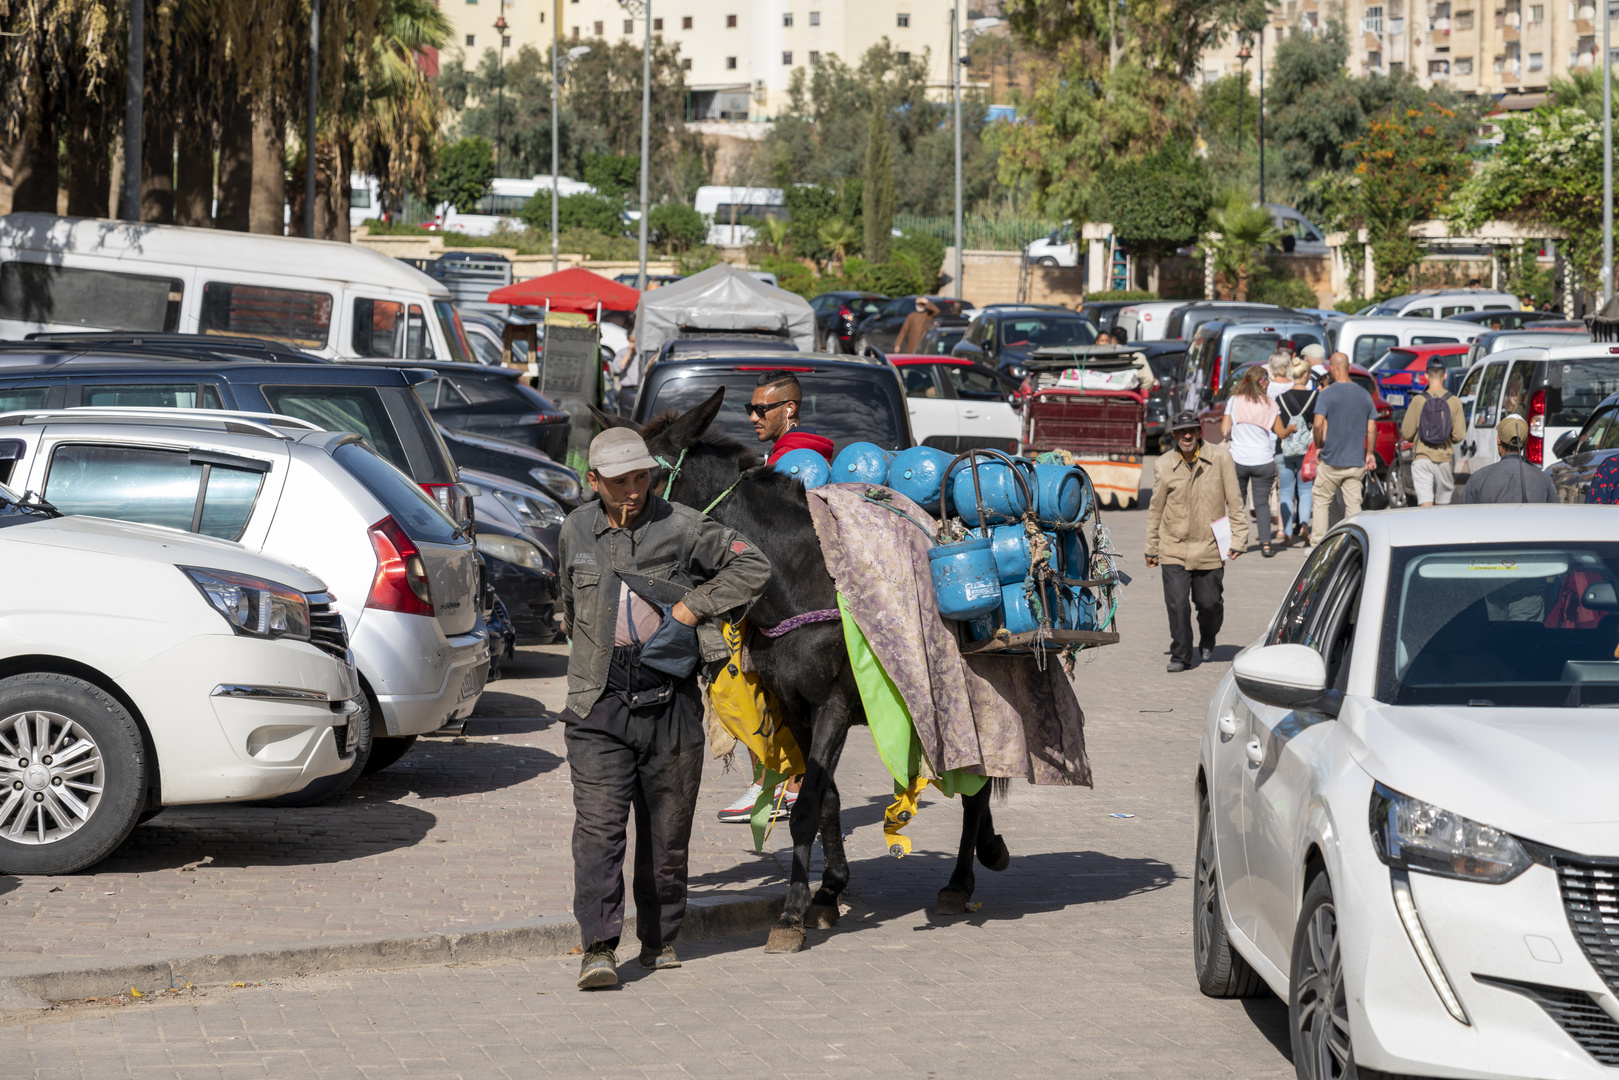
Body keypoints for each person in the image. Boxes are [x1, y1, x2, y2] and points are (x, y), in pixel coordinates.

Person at [558, 428, 773, 989]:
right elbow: (567, 601)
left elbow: (753, 567)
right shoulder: (576, 529)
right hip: (596, 704)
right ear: (594, 481)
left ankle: (659, 939)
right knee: (600, 831)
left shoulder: (681, 525)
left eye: (642, 478)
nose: (634, 491)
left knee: (667, 833)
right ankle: (599, 949)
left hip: (670, 701)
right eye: (620, 481)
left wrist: (690, 608)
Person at [1145, 411, 1249, 672]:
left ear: (1200, 431)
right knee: (1177, 604)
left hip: (1210, 546)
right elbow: (1155, 509)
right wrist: (1152, 546)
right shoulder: (1163, 464)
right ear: (1174, 435)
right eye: (1181, 431)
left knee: (1209, 603)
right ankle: (1180, 655)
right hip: (1174, 547)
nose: (1187, 435)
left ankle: (1208, 637)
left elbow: (1235, 501)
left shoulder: (1220, 458)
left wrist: (1239, 539)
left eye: (1191, 430)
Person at [1222, 365, 1289, 557]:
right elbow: (1281, 432)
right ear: (1263, 382)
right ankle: (1266, 544)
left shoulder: (1234, 401)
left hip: (1238, 460)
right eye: (1267, 380)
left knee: (1237, 503)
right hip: (1263, 460)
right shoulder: (1270, 404)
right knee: (1262, 504)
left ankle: (1234, 544)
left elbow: (1224, 430)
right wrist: (1291, 428)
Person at [1310, 352, 1378, 527]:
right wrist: (1370, 452)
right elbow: (1372, 428)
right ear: (1348, 367)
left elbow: (1317, 425)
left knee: (1321, 502)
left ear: (1331, 369)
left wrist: (1318, 446)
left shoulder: (1326, 394)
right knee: (1354, 505)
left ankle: (1317, 544)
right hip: (1355, 461)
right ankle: (1352, 543)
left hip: (1331, 461)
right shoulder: (1364, 395)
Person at [1399, 357, 1465, 505]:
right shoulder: (1454, 401)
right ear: (1445, 375)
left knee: (1425, 504)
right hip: (1444, 459)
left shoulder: (1418, 400)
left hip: (1422, 458)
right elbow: (1459, 434)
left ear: (1426, 375)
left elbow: (1407, 432)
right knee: (1443, 505)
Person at [1462, 415, 1559, 503]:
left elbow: (1464, 517)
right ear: (1525, 443)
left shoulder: (1477, 478)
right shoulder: (1544, 480)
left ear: (1498, 440)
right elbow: (1555, 517)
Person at [749, 370, 834, 467]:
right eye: (750, 408)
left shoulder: (782, 461)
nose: (753, 418)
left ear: (790, 409)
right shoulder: (815, 450)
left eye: (760, 409)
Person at [1276, 357, 1318, 545]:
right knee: (1305, 490)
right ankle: (1304, 526)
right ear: (1307, 375)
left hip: (1283, 448)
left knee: (1285, 491)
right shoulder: (1315, 397)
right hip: (1306, 450)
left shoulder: (1280, 398)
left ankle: (1286, 534)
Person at [610, 333, 639, 418]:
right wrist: (629, 352)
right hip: (628, 389)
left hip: (641, 389)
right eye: (632, 341)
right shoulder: (623, 352)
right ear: (628, 340)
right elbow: (617, 369)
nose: (634, 343)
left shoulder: (643, 353)